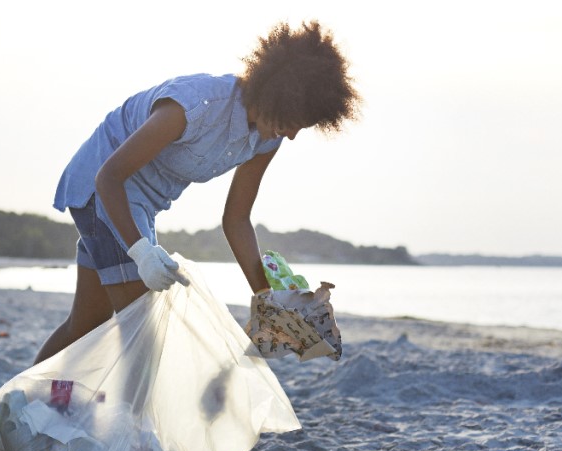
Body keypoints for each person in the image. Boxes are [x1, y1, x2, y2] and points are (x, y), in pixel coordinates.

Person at [35, 20, 360, 364]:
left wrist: (266, 297)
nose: (293, 134)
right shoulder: (196, 104)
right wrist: (142, 251)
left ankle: (23, 401)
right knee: (142, 329)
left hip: (141, 205)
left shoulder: (268, 138)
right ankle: (126, 416)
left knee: (87, 323)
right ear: (277, 94)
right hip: (102, 187)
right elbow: (109, 177)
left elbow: (236, 219)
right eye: (294, 121)